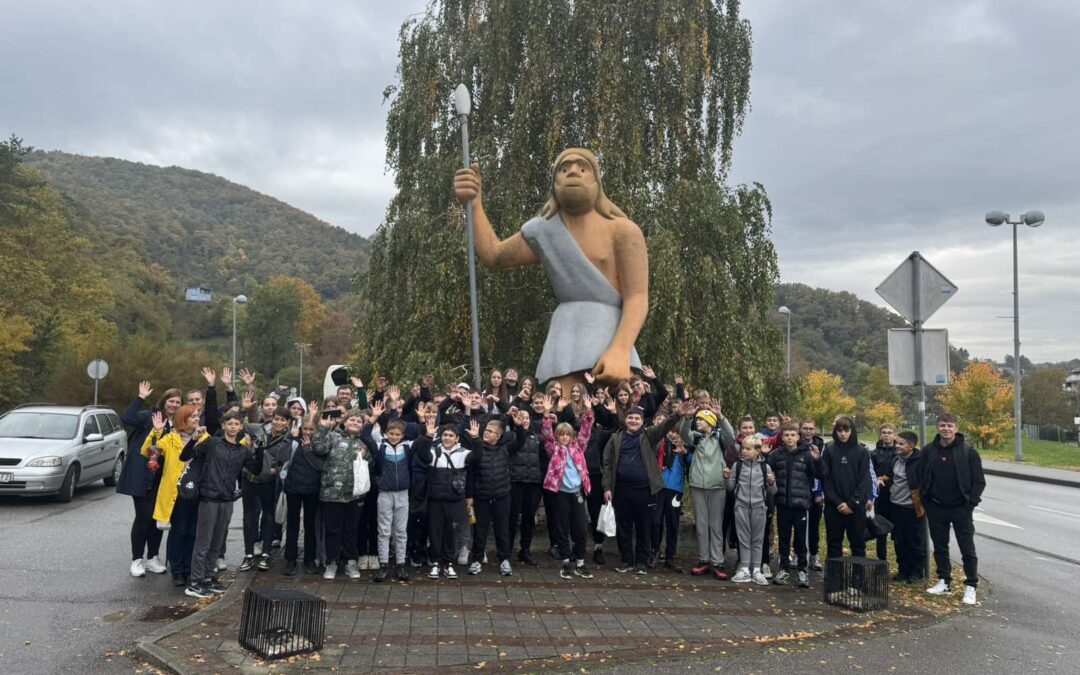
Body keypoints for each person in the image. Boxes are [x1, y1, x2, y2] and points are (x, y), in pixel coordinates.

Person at [454, 148, 649, 391]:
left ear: (596, 181)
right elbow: (494, 255)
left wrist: (620, 348)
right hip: (565, 337)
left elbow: (637, 297)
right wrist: (474, 205)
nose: (573, 172)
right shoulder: (543, 231)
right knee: (562, 404)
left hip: (612, 332)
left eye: (583, 168)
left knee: (621, 402)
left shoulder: (624, 231)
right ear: (554, 184)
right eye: (564, 169)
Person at [602, 400, 691, 574]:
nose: (633, 421)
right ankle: (627, 560)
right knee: (624, 527)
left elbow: (664, 427)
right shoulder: (615, 438)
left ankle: (641, 562)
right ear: (625, 419)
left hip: (644, 490)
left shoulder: (648, 435)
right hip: (621, 489)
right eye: (630, 418)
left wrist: (677, 414)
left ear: (643, 421)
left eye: (637, 418)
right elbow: (607, 464)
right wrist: (607, 487)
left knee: (644, 527)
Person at [915, 414, 984, 605]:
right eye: (942, 425)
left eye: (949, 425)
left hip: (961, 508)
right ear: (937, 427)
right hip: (936, 507)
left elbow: (979, 480)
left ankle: (971, 585)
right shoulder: (929, 450)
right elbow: (921, 475)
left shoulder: (968, 452)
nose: (946, 429)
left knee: (967, 548)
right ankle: (944, 581)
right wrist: (926, 499)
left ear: (956, 428)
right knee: (940, 546)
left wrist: (970, 503)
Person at [181, 410, 250, 599]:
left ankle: (209, 577)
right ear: (223, 425)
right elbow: (184, 456)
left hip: (227, 499)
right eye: (230, 423)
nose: (233, 427)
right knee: (203, 542)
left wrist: (257, 449)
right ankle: (195, 583)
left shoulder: (243, 450)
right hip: (209, 497)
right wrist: (194, 439)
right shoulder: (212, 443)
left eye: (236, 424)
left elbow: (256, 469)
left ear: (241, 427)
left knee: (217, 542)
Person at [118, 381, 182, 578]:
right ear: (164, 401)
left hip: (163, 479)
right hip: (142, 475)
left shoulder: (178, 424)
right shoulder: (150, 416)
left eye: (177, 402)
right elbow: (127, 418)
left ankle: (153, 558)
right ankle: (137, 559)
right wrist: (140, 397)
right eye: (171, 401)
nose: (174, 405)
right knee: (144, 517)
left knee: (158, 518)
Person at [141, 405, 206, 585]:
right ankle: (177, 571)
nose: (197, 418)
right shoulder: (169, 439)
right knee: (179, 531)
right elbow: (147, 451)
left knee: (193, 532)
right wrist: (156, 432)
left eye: (197, 415)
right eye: (193, 416)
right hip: (176, 494)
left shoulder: (203, 437)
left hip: (197, 491)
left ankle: (189, 569)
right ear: (183, 419)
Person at [412, 419, 478, 579]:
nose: (447, 438)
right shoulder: (435, 451)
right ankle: (435, 562)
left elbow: (477, 457)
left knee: (451, 532)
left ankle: (448, 563)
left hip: (455, 500)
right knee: (435, 532)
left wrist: (476, 438)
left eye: (451, 435)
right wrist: (428, 436)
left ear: (457, 438)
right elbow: (423, 455)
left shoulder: (463, 453)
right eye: (445, 435)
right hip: (435, 500)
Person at [313, 408, 374, 581]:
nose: (355, 423)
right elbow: (318, 448)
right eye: (352, 420)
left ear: (362, 426)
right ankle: (331, 562)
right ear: (344, 422)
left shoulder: (363, 443)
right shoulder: (333, 437)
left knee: (351, 530)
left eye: (358, 421)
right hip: (332, 493)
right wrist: (323, 428)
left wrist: (365, 456)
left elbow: (371, 464)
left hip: (354, 494)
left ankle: (350, 561)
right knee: (333, 529)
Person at [540, 396, 596, 579]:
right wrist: (546, 413)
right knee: (562, 528)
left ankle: (580, 562)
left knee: (580, 529)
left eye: (567, 434)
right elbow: (546, 433)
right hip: (561, 494)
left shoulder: (578, 447)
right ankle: (565, 562)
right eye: (561, 434)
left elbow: (586, 431)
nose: (564, 437)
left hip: (577, 493)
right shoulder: (553, 449)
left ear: (572, 436)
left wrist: (588, 411)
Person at [767, 422, 824, 588]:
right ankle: (784, 569)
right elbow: (765, 470)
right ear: (782, 437)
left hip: (801, 504)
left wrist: (818, 460)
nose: (790, 438)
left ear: (798, 437)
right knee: (783, 538)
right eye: (786, 435)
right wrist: (764, 459)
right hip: (783, 504)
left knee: (800, 539)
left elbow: (821, 474)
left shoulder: (807, 454)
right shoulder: (777, 454)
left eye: (793, 435)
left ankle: (802, 570)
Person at [362, 406, 416, 582]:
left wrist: (423, 420)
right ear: (386, 433)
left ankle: (400, 564)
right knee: (384, 530)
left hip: (403, 493)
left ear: (403, 435)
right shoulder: (380, 447)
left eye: (397, 434)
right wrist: (373, 418)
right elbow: (365, 436)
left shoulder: (407, 447)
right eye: (391, 433)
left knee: (401, 531)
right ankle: (384, 564)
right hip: (385, 493)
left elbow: (424, 439)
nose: (394, 436)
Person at [682, 407, 735, 580]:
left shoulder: (719, 437)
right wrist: (687, 418)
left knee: (715, 525)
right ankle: (704, 559)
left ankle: (717, 561)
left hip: (717, 486)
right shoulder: (696, 437)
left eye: (701, 419)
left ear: (710, 422)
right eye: (697, 419)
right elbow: (684, 434)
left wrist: (721, 416)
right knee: (701, 524)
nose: (698, 422)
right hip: (698, 485)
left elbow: (731, 437)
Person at [237, 408, 293, 572]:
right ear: (272, 418)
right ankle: (248, 554)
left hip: (268, 481)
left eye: (283, 420)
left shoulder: (288, 439)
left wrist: (277, 469)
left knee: (268, 516)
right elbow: (240, 424)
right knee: (249, 517)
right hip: (249, 478)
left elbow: (288, 460)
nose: (279, 423)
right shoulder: (258, 429)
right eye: (277, 419)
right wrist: (244, 409)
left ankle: (265, 554)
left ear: (287, 423)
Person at [820, 416, 871, 562]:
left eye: (846, 430)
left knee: (858, 544)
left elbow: (864, 480)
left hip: (855, 507)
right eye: (839, 430)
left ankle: (857, 575)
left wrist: (851, 503)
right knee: (833, 544)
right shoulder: (829, 451)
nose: (843, 434)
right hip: (834, 506)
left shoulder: (862, 451)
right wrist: (837, 502)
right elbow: (826, 480)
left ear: (852, 431)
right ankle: (835, 575)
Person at [728, 436, 777, 585]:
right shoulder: (737, 465)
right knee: (743, 538)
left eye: (748, 449)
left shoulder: (765, 467)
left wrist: (771, 483)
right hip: (741, 506)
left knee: (757, 539)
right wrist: (726, 478)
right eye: (743, 448)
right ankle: (744, 569)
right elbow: (730, 487)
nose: (744, 451)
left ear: (757, 450)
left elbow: (772, 491)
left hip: (759, 507)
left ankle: (756, 570)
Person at [282, 414, 324, 576]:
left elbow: (321, 466)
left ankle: (309, 559)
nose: (308, 432)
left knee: (310, 525)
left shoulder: (319, 443)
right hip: (294, 487)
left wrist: (309, 450)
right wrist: (290, 438)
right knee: (292, 524)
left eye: (311, 429)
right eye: (305, 429)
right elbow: (281, 457)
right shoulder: (294, 440)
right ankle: (290, 559)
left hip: (312, 488)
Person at [507, 407, 545, 567]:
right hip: (515, 482)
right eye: (521, 417)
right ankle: (506, 551)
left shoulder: (538, 438)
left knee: (529, 519)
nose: (524, 420)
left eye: (527, 417)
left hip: (533, 483)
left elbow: (543, 461)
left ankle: (525, 551)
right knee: (511, 519)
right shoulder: (511, 436)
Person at [888, 431, 926, 584]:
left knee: (915, 541)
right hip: (896, 506)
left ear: (911, 446)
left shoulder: (919, 461)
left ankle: (917, 572)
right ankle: (903, 570)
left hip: (913, 508)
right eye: (896, 443)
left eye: (901, 444)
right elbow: (891, 478)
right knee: (899, 540)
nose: (897, 446)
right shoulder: (895, 460)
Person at [799, 420, 826, 571]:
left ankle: (814, 555)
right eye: (805, 428)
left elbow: (822, 471)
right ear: (800, 429)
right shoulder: (796, 444)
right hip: (799, 491)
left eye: (810, 428)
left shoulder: (820, 446)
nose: (808, 431)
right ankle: (799, 554)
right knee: (799, 525)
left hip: (816, 492)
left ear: (814, 430)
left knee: (814, 525)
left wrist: (819, 492)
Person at [871, 423, 898, 561]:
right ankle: (881, 559)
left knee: (898, 530)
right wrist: (876, 479)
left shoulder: (899, 452)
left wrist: (887, 478)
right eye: (884, 432)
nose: (886, 435)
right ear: (880, 435)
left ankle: (902, 561)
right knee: (880, 527)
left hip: (896, 494)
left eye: (889, 432)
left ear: (894, 435)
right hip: (880, 495)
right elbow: (869, 472)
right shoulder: (874, 453)